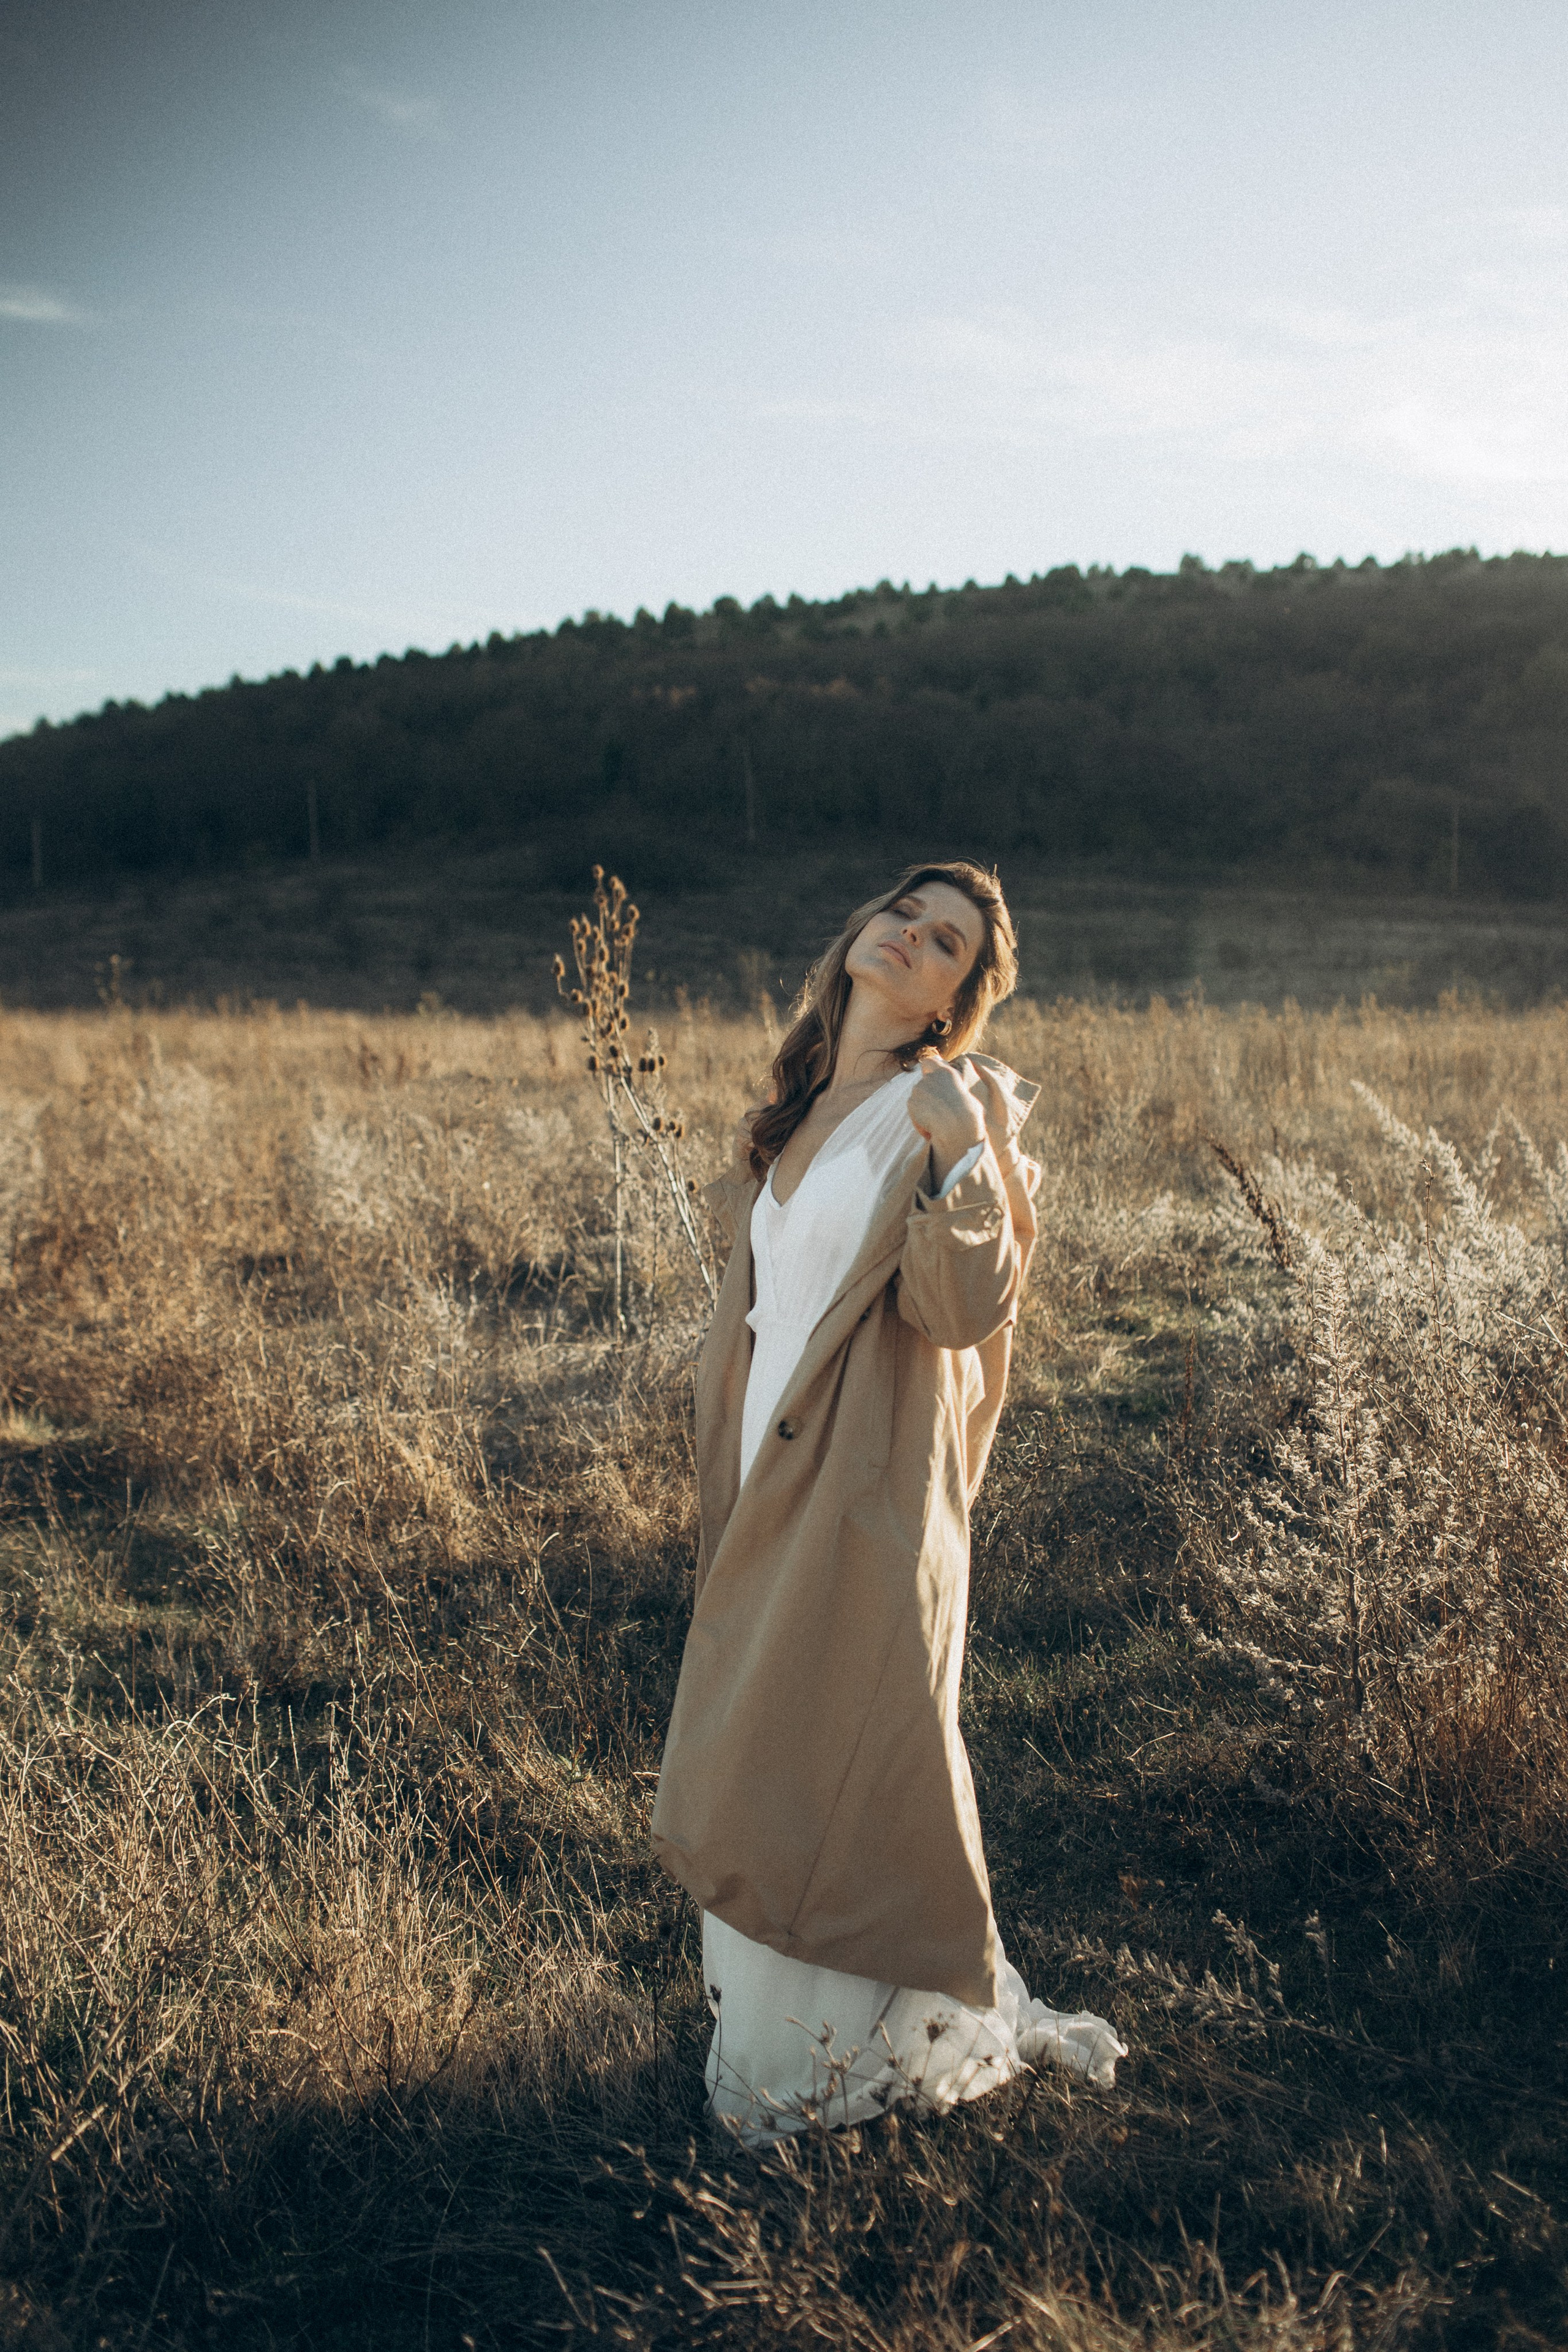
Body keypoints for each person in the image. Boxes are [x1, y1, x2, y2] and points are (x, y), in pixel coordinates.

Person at [651, 861, 1125, 2147]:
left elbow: (965, 1309)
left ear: (951, 1003)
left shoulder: (949, 1104)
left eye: (947, 945)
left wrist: (964, 1160)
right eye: (903, 917)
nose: (911, 940)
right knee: (766, 1738)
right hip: (763, 1463)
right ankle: (798, 2027)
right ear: (858, 935)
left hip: (864, 1474)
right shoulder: (802, 1103)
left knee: (844, 1747)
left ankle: (836, 2065)